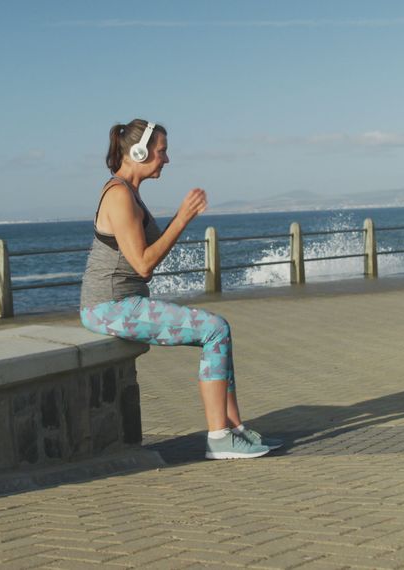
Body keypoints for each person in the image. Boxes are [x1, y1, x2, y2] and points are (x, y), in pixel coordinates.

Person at [79, 119, 283, 460]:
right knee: (214, 329)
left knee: (219, 332)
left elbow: (149, 253)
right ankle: (219, 438)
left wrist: (179, 221)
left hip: (123, 302)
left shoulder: (130, 193)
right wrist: (182, 218)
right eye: (162, 152)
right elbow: (144, 264)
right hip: (108, 307)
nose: (167, 160)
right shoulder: (119, 197)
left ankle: (234, 429)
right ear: (140, 152)